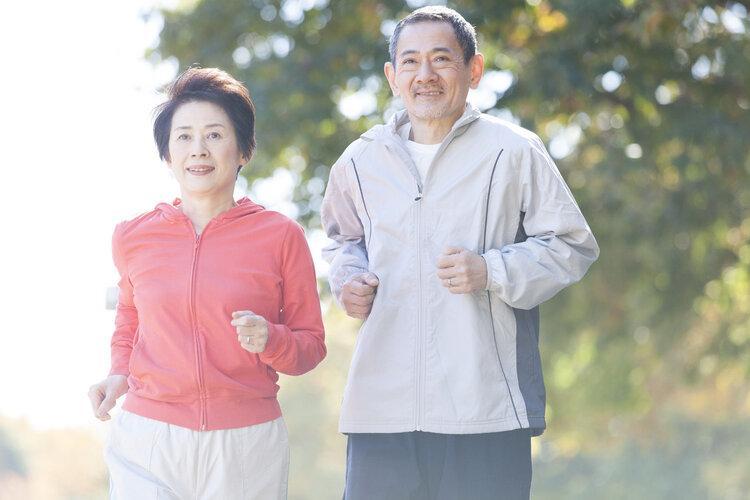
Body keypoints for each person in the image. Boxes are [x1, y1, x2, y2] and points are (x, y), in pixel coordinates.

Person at [321, 6, 599, 499]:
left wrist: (491, 270)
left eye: (441, 58)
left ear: (474, 69)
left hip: (485, 411)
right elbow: (344, 241)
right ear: (392, 76)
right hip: (380, 412)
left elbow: (571, 245)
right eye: (410, 61)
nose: (424, 74)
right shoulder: (359, 160)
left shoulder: (513, 150)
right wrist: (348, 280)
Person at [88, 67, 326, 499]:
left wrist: (270, 339)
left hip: (245, 444)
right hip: (148, 436)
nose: (198, 149)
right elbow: (130, 317)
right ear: (167, 154)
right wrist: (119, 372)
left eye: (214, 135)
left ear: (244, 150)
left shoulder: (280, 236)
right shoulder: (133, 236)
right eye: (184, 137)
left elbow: (309, 346)